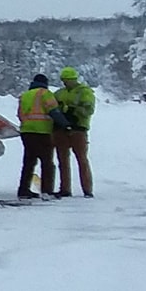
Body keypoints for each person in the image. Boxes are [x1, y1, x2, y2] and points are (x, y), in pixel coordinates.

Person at [54, 67, 95, 197]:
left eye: (67, 80)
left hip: (78, 128)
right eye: (63, 80)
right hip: (61, 129)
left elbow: (89, 109)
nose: (65, 83)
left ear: (74, 79)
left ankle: (87, 190)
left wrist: (72, 109)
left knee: (82, 160)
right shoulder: (59, 93)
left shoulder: (85, 92)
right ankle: (65, 189)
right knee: (63, 161)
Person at [16, 74, 59, 199]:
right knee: (47, 163)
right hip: (42, 132)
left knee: (29, 162)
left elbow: (19, 114)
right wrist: (65, 124)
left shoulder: (24, 95)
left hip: (26, 132)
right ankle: (47, 190)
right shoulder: (45, 93)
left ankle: (23, 189)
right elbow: (53, 111)